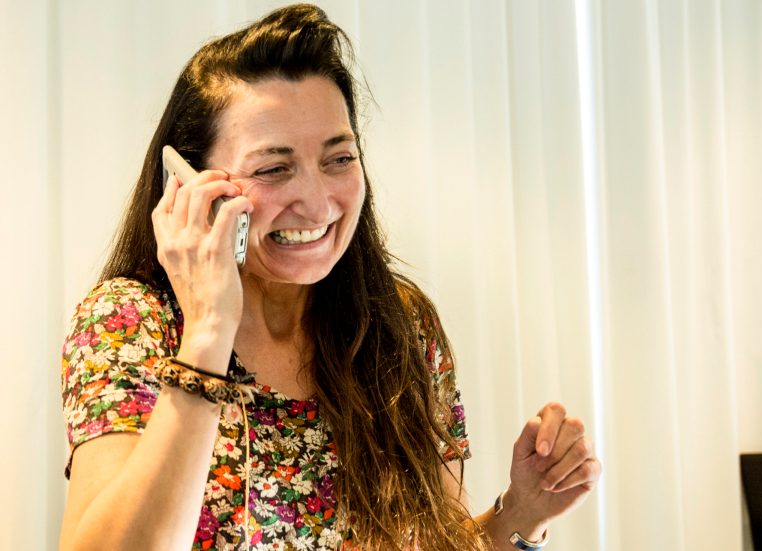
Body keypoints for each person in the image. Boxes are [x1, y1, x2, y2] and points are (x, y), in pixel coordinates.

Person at [59, 4, 601, 550]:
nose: (318, 203)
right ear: (188, 185)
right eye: (273, 168)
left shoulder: (401, 325)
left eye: (338, 159)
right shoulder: (129, 323)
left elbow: (439, 543)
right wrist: (206, 332)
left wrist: (524, 511)